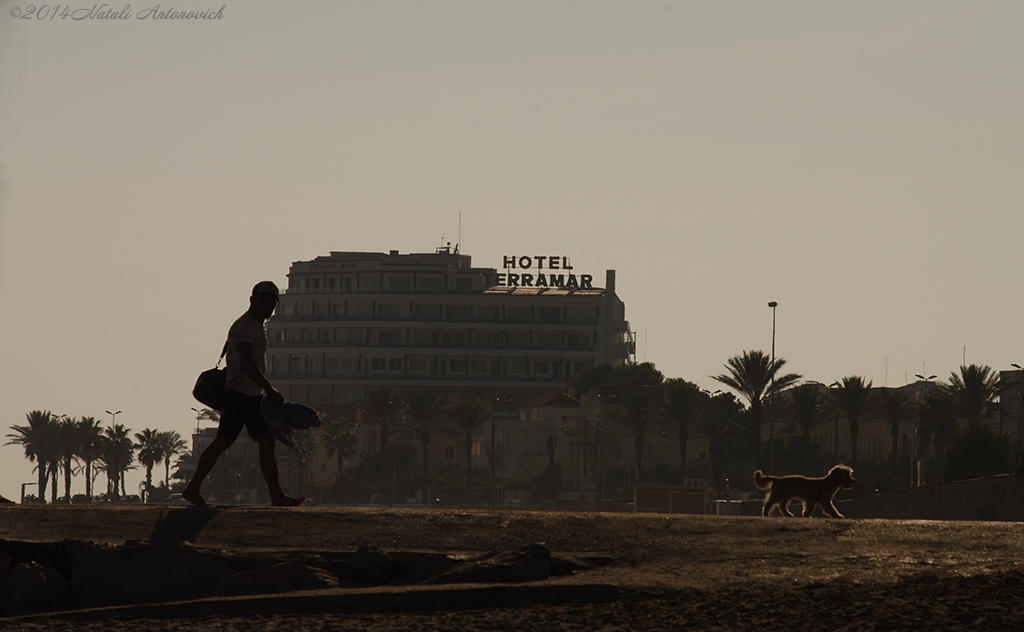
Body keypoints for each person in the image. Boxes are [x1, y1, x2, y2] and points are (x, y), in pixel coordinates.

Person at [182, 281, 304, 507]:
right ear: (252, 300)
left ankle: (276, 496)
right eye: (262, 301)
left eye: (271, 303)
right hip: (239, 395)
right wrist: (269, 388)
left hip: (251, 396)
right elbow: (247, 364)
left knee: (266, 441)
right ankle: (192, 489)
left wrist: (262, 390)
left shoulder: (256, 326)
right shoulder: (245, 327)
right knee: (223, 442)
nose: (267, 306)